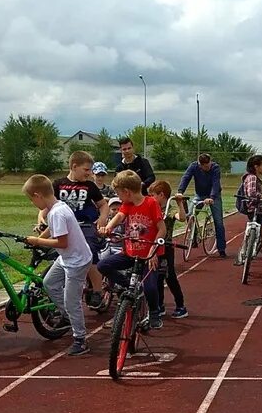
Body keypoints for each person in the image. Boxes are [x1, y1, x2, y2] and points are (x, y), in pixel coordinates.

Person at [23, 174, 92, 356]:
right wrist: (40, 238)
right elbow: (52, 230)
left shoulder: (57, 212)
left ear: (38, 195)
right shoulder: (58, 206)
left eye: (32, 200)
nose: (33, 204)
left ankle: (80, 339)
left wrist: (37, 242)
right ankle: (68, 316)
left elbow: (62, 243)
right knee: (49, 283)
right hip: (66, 259)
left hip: (76, 261)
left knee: (72, 301)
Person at [97, 170, 167, 329]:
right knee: (103, 265)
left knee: (150, 287)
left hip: (149, 256)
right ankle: (127, 284)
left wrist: (154, 251)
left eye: (118, 193)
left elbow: (162, 229)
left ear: (127, 192)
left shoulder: (150, 203)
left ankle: (154, 313)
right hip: (130, 253)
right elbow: (119, 217)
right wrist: (107, 227)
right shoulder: (127, 204)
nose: (118, 197)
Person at [41, 151, 109, 309]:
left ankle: (97, 291)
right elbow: (47, 204)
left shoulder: (89, 186)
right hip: (64, 225)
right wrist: (41, 218)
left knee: (89, 252)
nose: (89, 173)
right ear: (74, 166)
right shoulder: (58, 184)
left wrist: (102, 218)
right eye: (86, 170)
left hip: (85, 225)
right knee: (46, 247)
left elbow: (103, 205)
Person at [149, 180, 189, 319]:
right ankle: (159, 305)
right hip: (154, 247)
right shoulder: (153, 208)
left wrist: (179, 203)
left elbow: (182, 218)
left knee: (169, 277)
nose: (150, 197)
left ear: (161, 195)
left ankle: (180, 306)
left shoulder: (170, 210)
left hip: (166, 248)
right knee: (156, 277)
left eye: (153, 195)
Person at [176, 153, 228, 257]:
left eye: (208, 165)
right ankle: (194, 235)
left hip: (214, 196)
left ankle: (221, 248)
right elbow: (186, 177)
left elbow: (215, 182)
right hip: (199, 194)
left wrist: (212, 197)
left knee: (218, 222)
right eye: (205, 167)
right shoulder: (193, 166)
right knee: (190, 214)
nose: (207, 168)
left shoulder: (215, 168)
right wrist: (180, 191)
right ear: (200, 165)